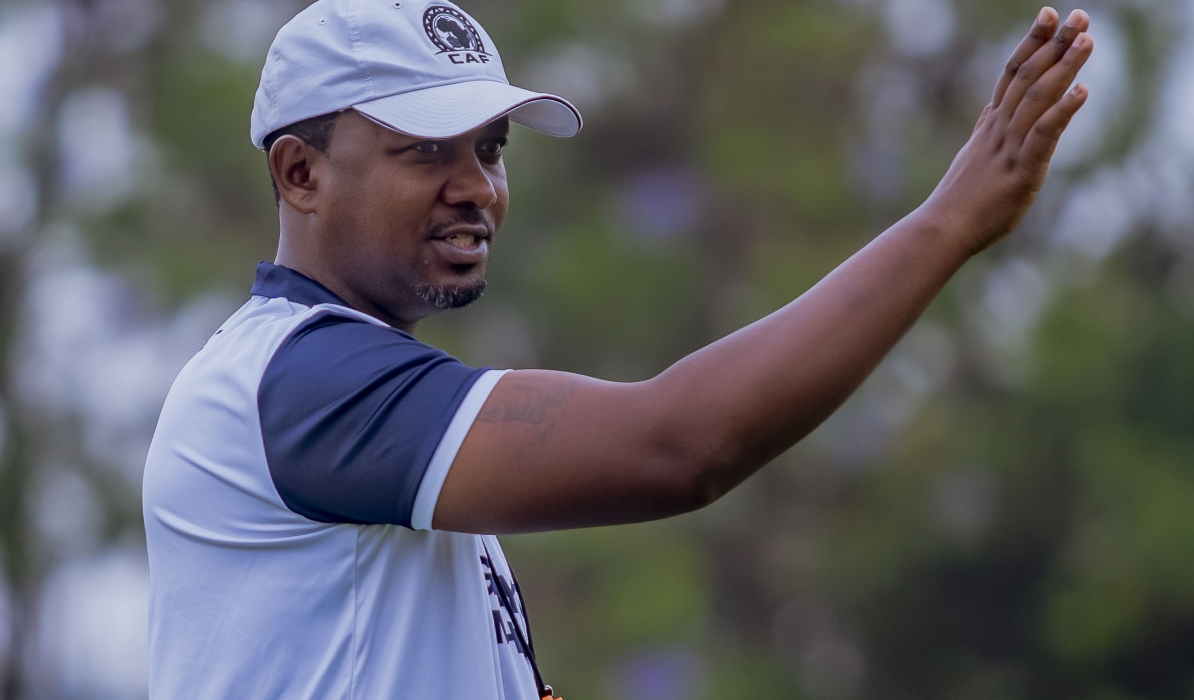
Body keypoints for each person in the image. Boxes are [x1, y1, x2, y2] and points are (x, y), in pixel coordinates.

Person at [142, 0, 1094, 697]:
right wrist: (951, 223)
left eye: (493, 148)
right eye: (427, 150)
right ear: (300, 173)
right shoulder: (299, 381)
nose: (478, 186)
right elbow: (680, 446)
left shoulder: (362, 409)